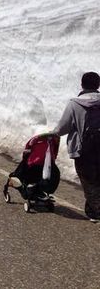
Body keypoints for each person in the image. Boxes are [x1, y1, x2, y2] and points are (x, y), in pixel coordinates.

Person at [53, 71, 100, 222]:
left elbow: (62, 128)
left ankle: (96, 210)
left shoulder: (75, 104)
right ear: (97, 85)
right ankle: (93, 208)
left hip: (83, 150)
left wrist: (52, 134)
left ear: (82, 84)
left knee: (88, 180)